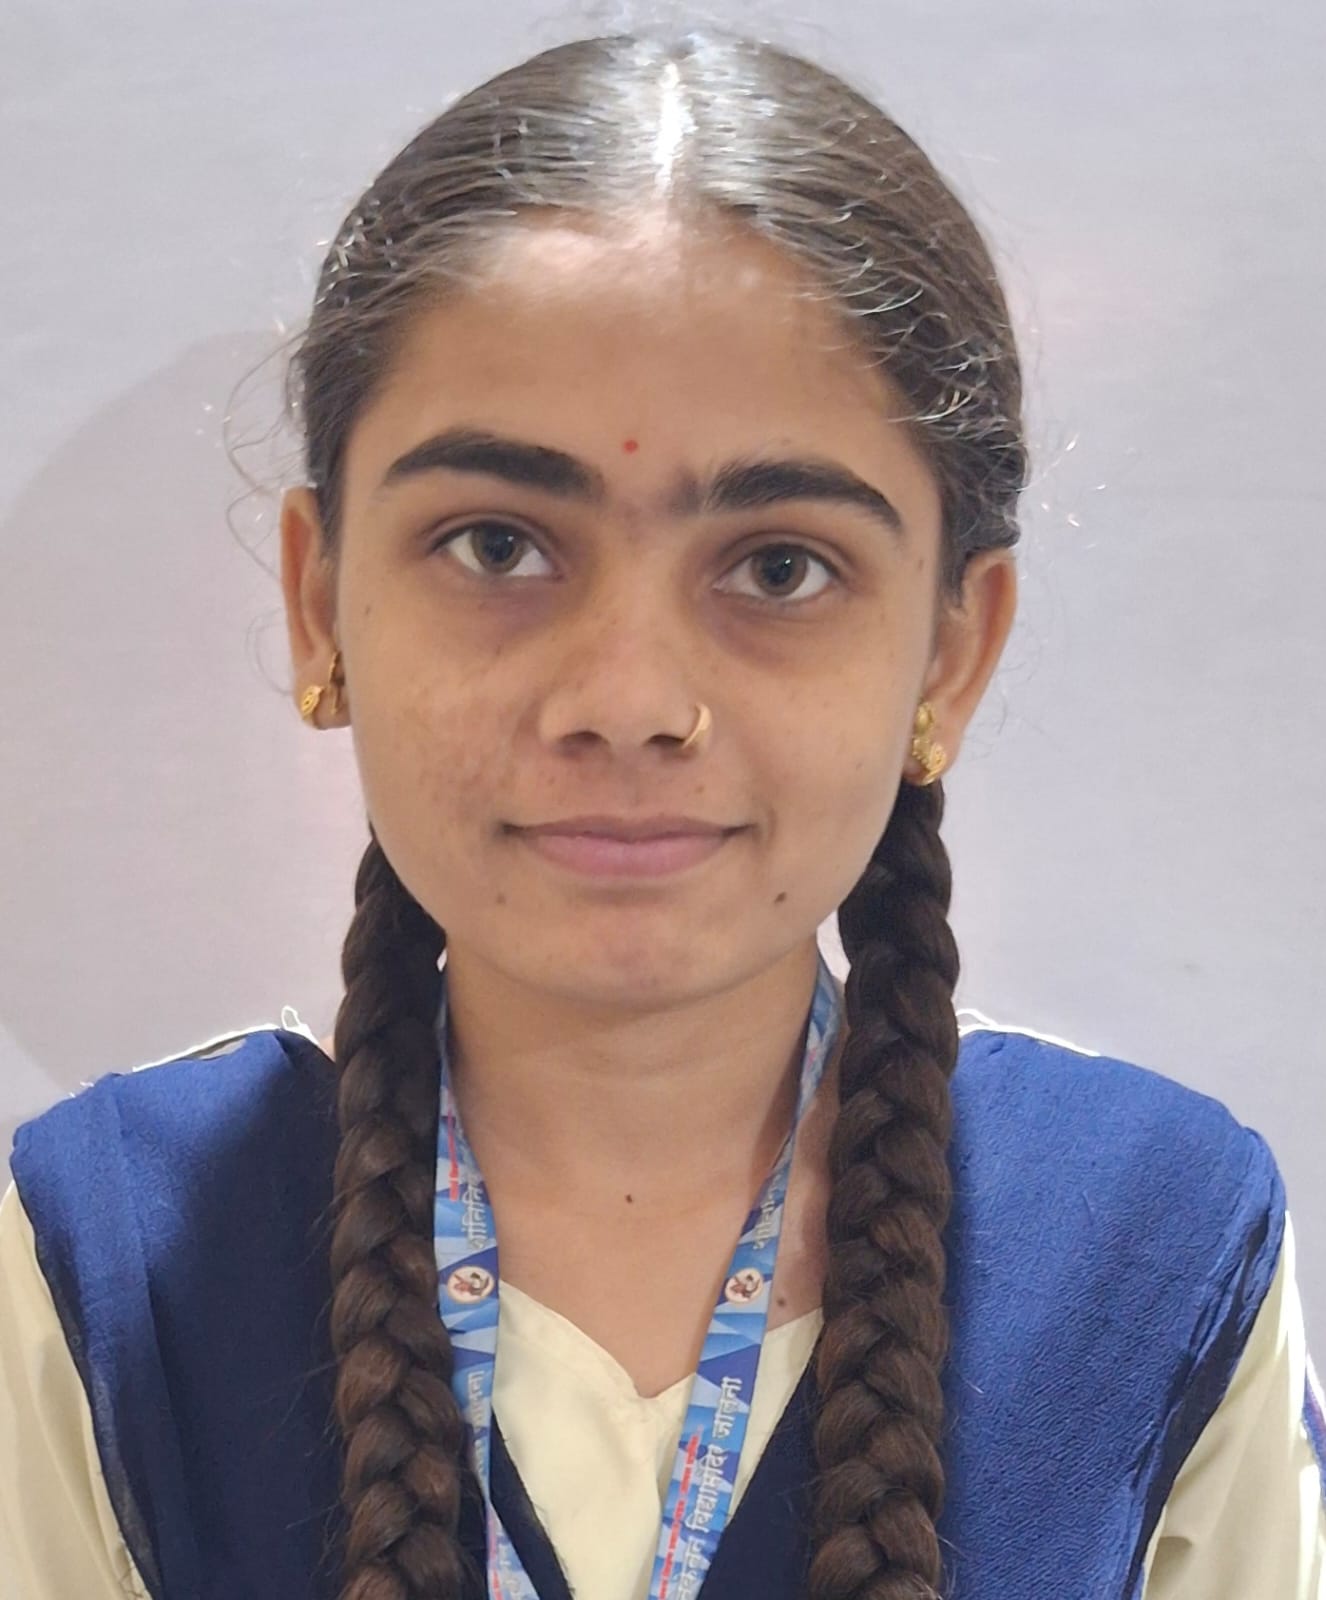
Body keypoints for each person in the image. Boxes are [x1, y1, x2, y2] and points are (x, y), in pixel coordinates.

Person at [1, 26, 1323, 1600]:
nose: (626, 698)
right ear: (317, 603)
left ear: (949, 653)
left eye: (778, 566)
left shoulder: (1147, 1240)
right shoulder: (103, 1251)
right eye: (496, 545)